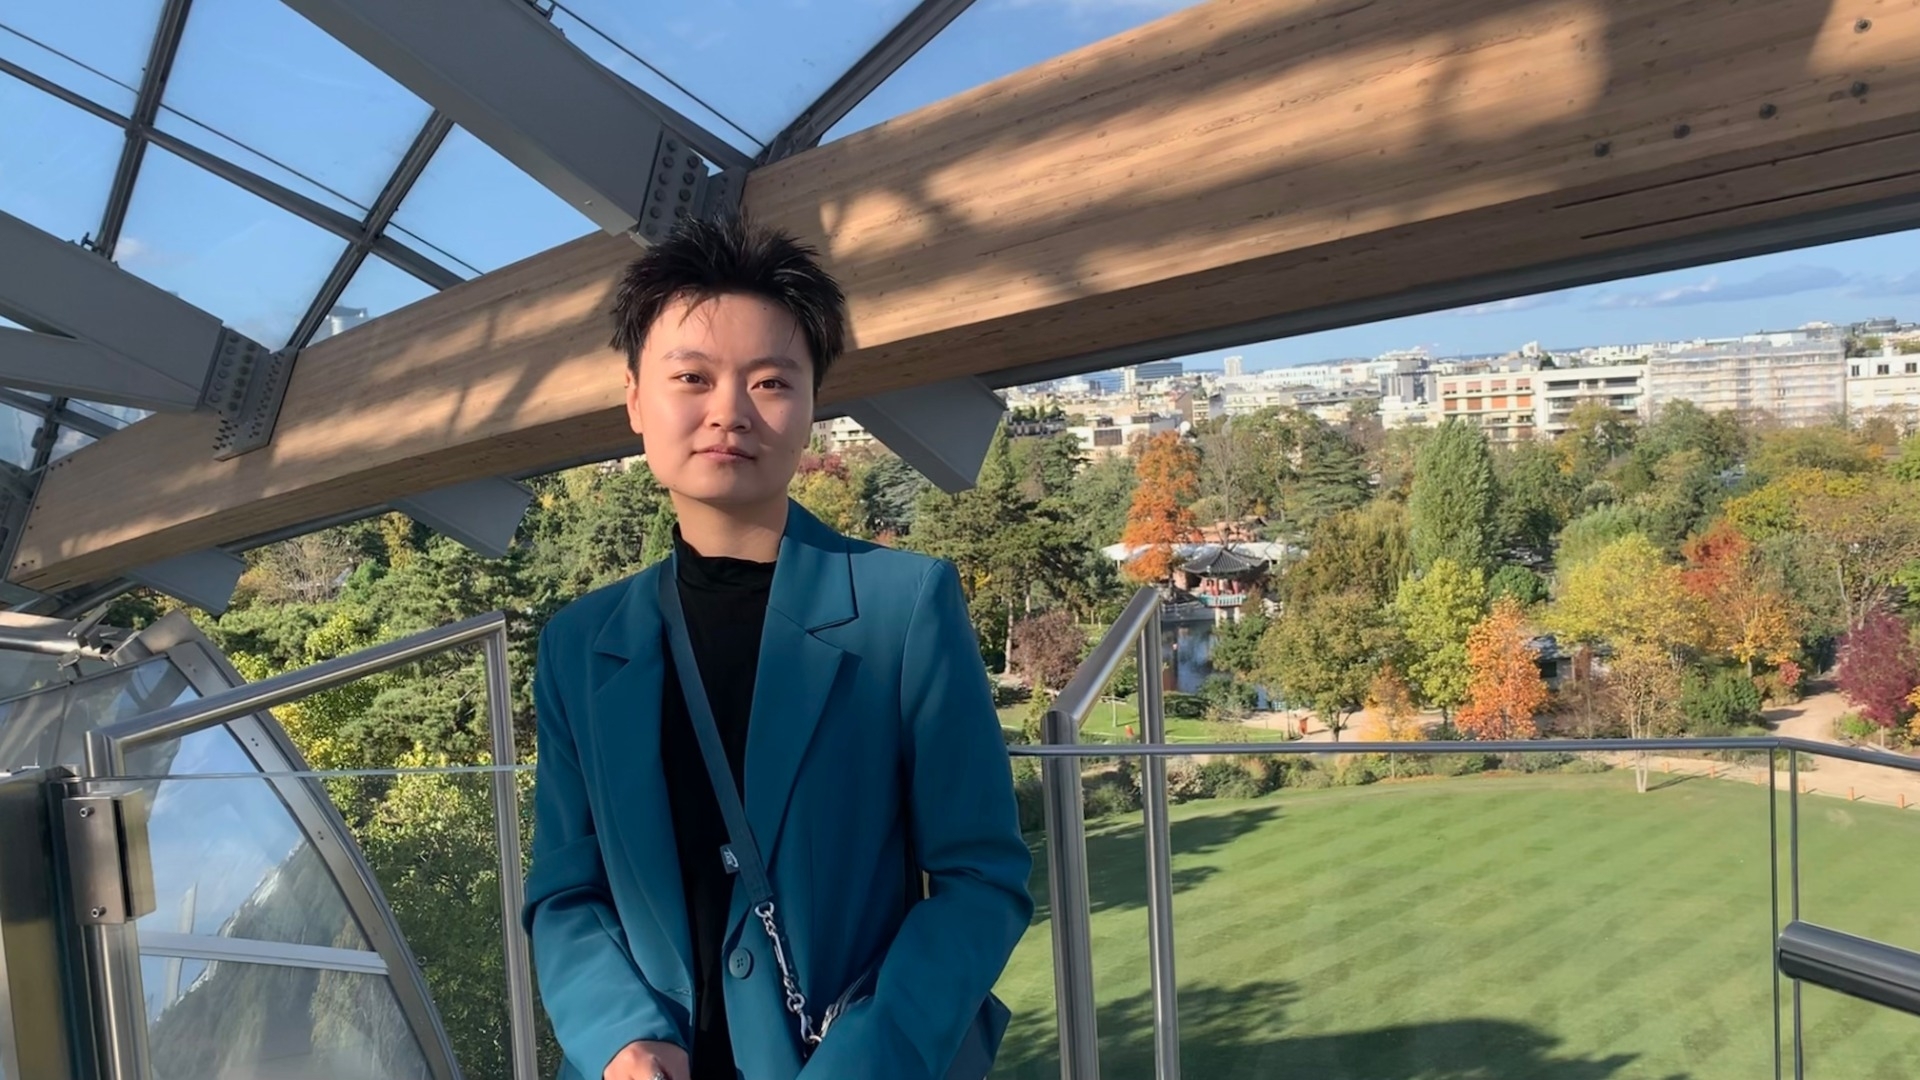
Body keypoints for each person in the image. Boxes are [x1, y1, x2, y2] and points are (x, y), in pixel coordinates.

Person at [521, 215, 1034, 1080]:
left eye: (769, 381)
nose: (729, 412)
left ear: (811, 406)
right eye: (692, 377)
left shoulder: (903, 608)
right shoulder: (581, 644)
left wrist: (867, 1057)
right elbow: (566, 890)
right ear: (636, 400)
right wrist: (619, 1038)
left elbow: (980, 877)